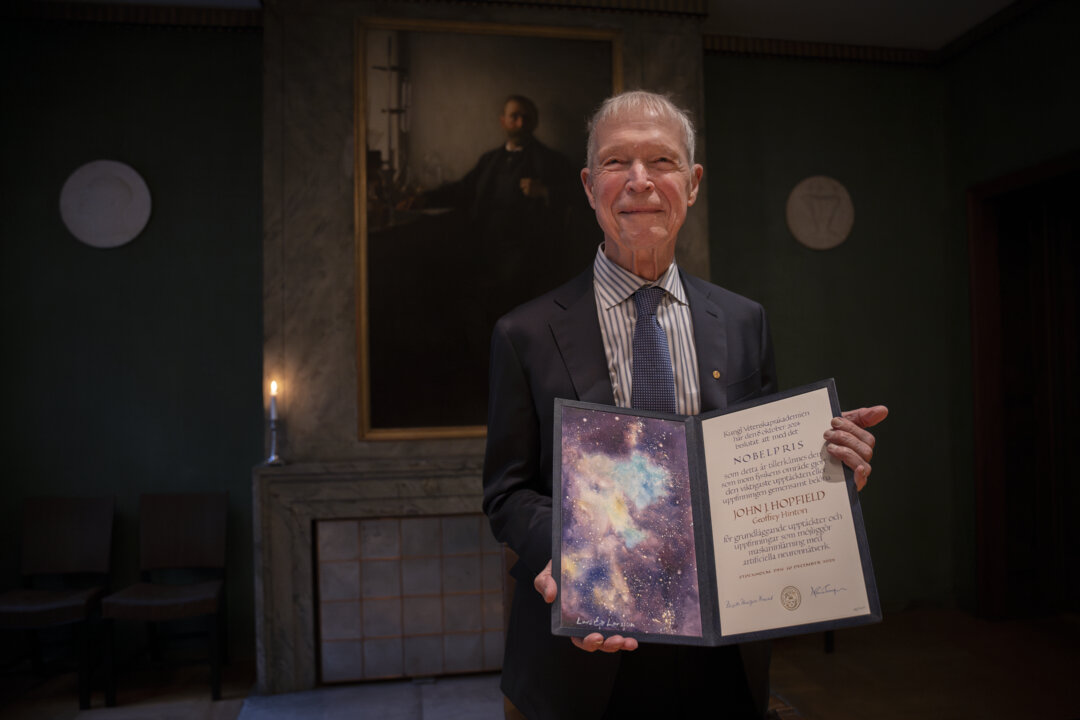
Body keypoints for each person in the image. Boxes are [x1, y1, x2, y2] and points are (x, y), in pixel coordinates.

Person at [482, 90, 888, 720]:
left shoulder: (743, 320)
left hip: (722, 652)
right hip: (587, 651)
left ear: (692, 184)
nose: (639, 182)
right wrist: (570, 552)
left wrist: (827, 465)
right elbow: (507, 493)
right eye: (617, 163)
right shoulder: (525, 333)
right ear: (589, 187)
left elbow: (751, 473)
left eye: (662, 162)